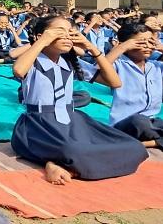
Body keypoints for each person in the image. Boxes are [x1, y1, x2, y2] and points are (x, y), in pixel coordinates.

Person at [11, 16, 147, 185]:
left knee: (134, 147)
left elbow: (115, 82)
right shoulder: (33, 60)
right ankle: (53, 163)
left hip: (72, 120)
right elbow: (18, 70)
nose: (68, 37)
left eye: (70, 32)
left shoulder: (71, 62)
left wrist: (91, 47)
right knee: (74, 150)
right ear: (41, 36)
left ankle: (62, 163)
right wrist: (42, 41)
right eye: (60, 32)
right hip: (39, 123)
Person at [103, 24, 163, 149]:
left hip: (152, 123)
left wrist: (161, 48)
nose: (147, 46)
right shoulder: (118, 65)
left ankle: (150, 143)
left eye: (150, 42)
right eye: (140, 42)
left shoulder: (156, 67)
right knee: (139, 121)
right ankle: (156, 141)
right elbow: (97, 70)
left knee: (148, 122)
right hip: (127, 124)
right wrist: (121, 47)